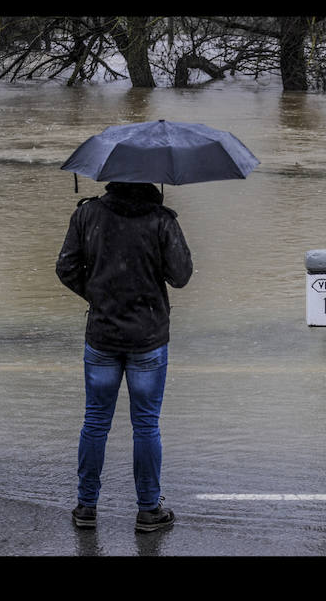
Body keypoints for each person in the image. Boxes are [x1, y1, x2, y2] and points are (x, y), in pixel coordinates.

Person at [56, 181, 192, 532]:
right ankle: (149, 510)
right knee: (146, 424)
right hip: (148, 338)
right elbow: (181, 275)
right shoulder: (161, 220)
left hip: (102, 335)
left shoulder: (87, 214)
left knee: (95, 421)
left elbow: (66, 268)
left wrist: (98, 296)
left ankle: (86, 507)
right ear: (151, 180)